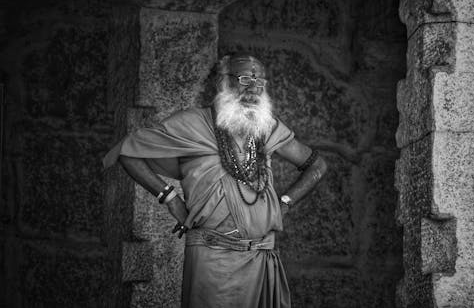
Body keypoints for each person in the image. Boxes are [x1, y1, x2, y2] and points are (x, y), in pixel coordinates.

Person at [103, 53, 328, 308]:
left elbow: (317, 166)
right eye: (244, 79)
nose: (254, 89)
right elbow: (126, 152)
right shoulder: (191, 123)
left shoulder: (268, 129)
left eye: (260, 82)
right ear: (223, 82)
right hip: (213, 257)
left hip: (261, 258)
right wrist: (170, 198)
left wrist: (283, 203)